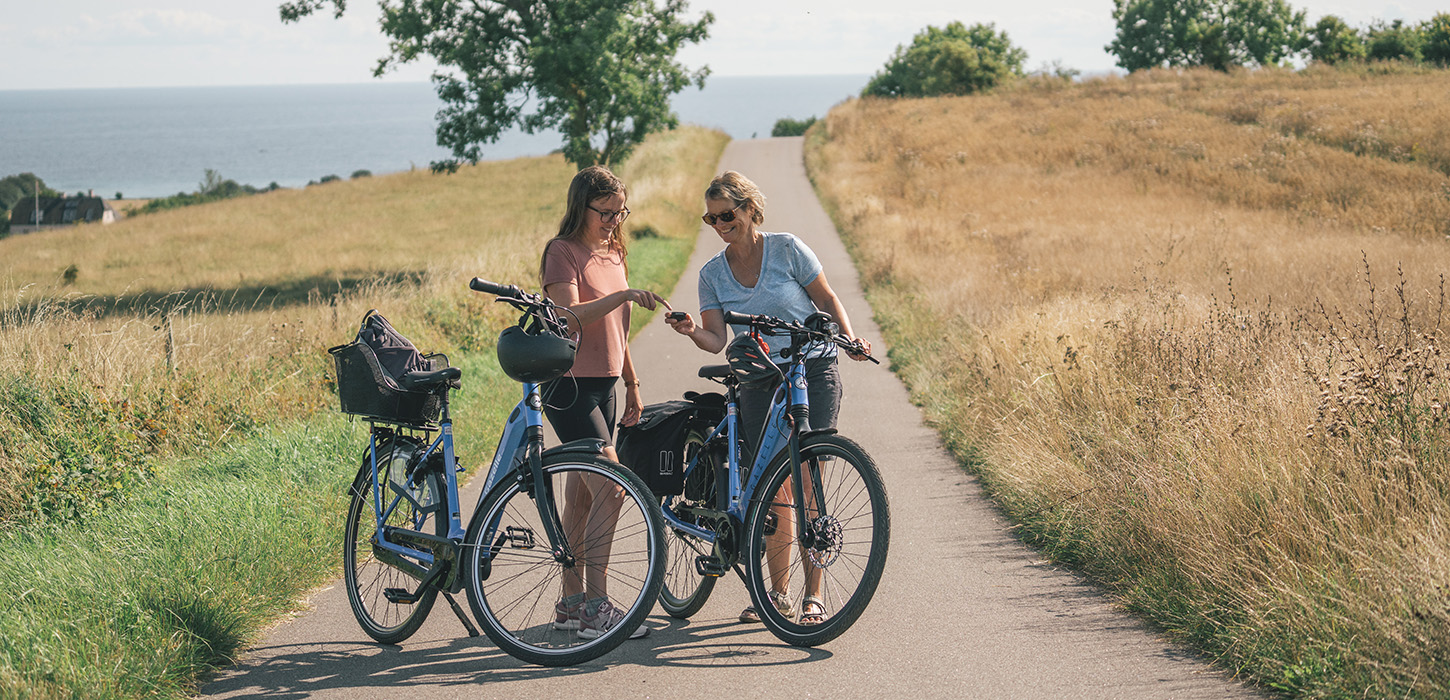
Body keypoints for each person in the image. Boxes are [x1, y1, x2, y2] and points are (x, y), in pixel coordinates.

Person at [665, 170, 871, 625]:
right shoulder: (712, 274)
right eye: (711, 218)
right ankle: (778, 595)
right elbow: (715, 340)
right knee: (776, 484)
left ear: (749, 209)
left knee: (808, 477)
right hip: (758, 379)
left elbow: (826, 300)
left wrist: (849, 338)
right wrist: (691, 330)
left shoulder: (787, 249)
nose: (720, 225)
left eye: (727, 215)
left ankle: (814, 596)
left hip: (810, 367)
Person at [539, 165, 670, 640]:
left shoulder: (615, 252)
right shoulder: (562, 252)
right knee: (613, 488)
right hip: (569, 386)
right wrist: (623, 295)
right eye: (606, 212)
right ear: (582, 207)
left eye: (620, 212)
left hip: (607, 385)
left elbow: (620, 331)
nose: (615, 221)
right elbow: (568, 318)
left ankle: (571, 603)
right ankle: (597, 608)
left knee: (581, 494)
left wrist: (632, 383)